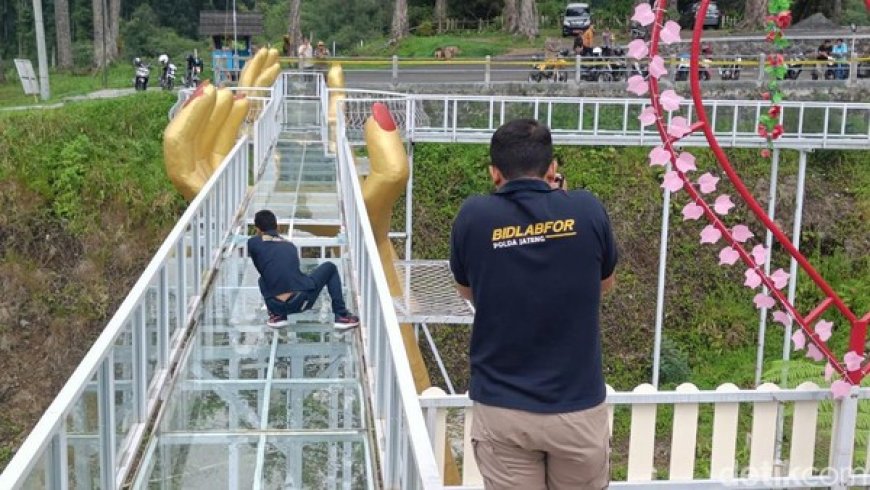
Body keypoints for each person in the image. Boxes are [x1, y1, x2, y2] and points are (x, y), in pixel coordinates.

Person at [449, 119, 617, 489]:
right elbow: (603, 285)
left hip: (503, 407)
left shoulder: (474, 217)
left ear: (495, 173)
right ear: (553, 168)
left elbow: (468, 292)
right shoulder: (587, 210)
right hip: (577, 406)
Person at [248, 210, 360, 330]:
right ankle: (341, 315)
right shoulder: (289, 246)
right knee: (330, 267)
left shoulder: (252, 243)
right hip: (301, 301)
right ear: (278, 227)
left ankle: (277, 317)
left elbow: (262, 266)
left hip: (275, 305)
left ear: (257, 229)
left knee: (263, 278)